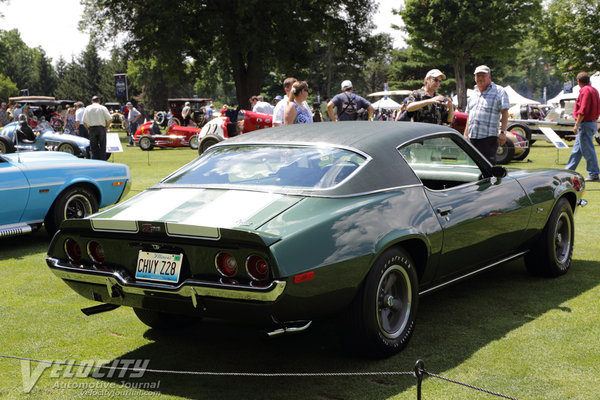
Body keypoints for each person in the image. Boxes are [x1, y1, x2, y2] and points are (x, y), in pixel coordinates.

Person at [463, 65, 510, 165]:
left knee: (488, 168)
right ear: (474, 78)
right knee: (471, 167)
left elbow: (505, 112)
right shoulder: (473, 94)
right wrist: (465, 135)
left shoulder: (499, 91)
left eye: (483, 75)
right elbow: (469, 116)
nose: (480, 78)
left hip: (488, 139)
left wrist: (503, 133)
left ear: (489, 77)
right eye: (477, 75)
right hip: (472, 138)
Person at [565, 71, 600, 182]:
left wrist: (577, 124)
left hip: (585, 124)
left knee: (588, 150)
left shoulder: (585, 90)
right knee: (577, 150)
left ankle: (594, 174)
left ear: (578, 82)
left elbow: (583, 109)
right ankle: (568, 171)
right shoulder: (594, 90)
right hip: (591, 122)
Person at [82, 95, 111, 160]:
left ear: (92, 101)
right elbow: (109, 119)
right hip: (101, 128)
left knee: (93, 148)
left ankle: (94, 161)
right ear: (99, 101)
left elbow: (84, 121)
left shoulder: (87, 108)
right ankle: (103, 161)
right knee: (103, 147)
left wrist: (88, 128)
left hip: (92, 128)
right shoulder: (103, 108)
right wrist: (107, 127)